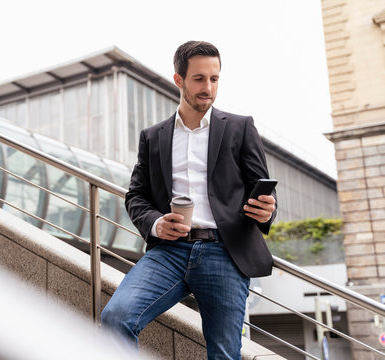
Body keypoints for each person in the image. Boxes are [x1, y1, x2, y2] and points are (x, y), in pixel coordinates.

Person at [101, 41, 277, 360]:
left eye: (214, 79)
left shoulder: (240, 127)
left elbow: (262, 190)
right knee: (116, 317)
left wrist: (266, 210)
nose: (208, 87)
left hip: (225, 251)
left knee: (224, 354)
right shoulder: (153, 137)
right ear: (179, 80)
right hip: (169, 252)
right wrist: (155, 223)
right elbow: (136, 196)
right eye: (198, 78)